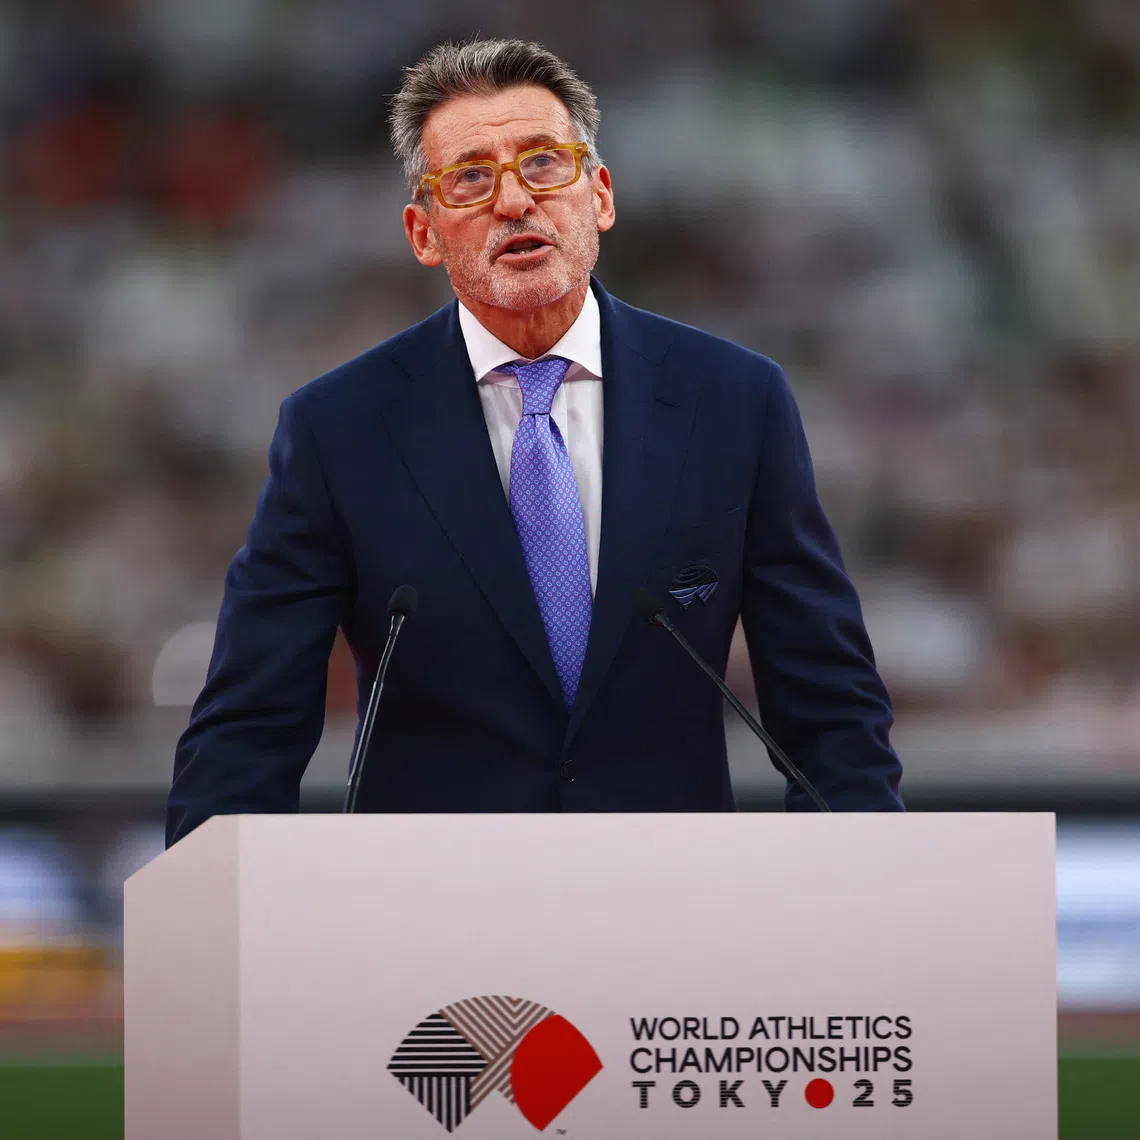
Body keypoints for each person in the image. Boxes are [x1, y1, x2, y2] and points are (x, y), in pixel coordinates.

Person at [166, 38, 903, 847]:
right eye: (471, 179)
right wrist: (216, 929)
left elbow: (829, 703)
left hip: (673, 907)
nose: (514, 201)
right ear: (423, 232)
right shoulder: (338, 430)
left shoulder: (733, 401)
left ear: (601, 197)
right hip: (430, 923)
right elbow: (248, 726)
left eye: (544, 164)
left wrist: (858, 883)